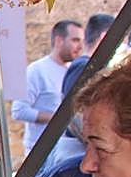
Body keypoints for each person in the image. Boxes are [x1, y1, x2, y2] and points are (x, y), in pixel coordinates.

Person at [32, 13, 115, 177]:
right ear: (105, 37)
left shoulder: (82, 66)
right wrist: (97, 143)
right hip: (74, 151)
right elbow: (74, 113)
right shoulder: (84, 67)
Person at [11, 19, 83, 155]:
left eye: (81, 41)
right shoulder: (37, 70)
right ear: (59, 41)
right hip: (40, 154)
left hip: (67, 150)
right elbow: (19, 110)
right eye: (75, 40)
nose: (80, 46)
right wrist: (59, 118)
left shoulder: (73, 71)